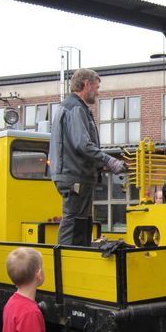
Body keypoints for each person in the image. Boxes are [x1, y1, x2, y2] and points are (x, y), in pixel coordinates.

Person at [49, 68, 125, 246]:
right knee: (74, 221)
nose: (98, 93)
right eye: (97, 87)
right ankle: (67, 263)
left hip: (74, 174)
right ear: (86, 84)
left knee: (82, 222)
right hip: (74, 175)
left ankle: (78, 259)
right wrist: (109, 160)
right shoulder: (75, 108)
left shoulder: (70, 107)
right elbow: (82, 144)